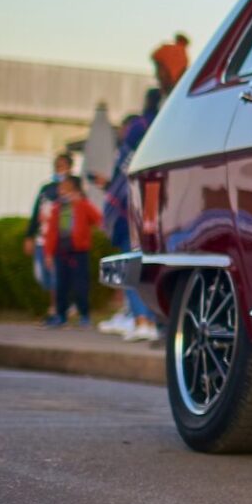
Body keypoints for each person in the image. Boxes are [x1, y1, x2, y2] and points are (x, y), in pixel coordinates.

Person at [96, 88, 162, 342]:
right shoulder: (163, 135)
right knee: (146, 266)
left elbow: (121, 185)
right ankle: (143, 318)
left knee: (132, 265)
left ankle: (142, 320)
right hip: (151, 209)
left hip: (132, 214)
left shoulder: (134, 144)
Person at [41, 173, 101, 328]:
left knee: (80, 284)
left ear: (74, 189)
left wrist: (81, 202)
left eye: (65, 188)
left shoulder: (82, 204)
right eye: (61, 189)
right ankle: (61, 315)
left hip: (79, 252)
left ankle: (84, 315)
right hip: (61, 252)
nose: (61, 191)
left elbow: (98, 219)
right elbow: (51, 233)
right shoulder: (57, 208)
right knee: (61, 285)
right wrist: (48, 253)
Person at [23, 152, 74, 295]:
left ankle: (57, 309)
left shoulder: (74, 187)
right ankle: (59, 307)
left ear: (69, 168)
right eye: (57, 166)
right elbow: (36, 213)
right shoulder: (46, 189)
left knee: (56, 275)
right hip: (42, 239)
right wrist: (29, 236)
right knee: (42, 276)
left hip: (61, 240)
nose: (59, 169)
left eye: (62, 166)